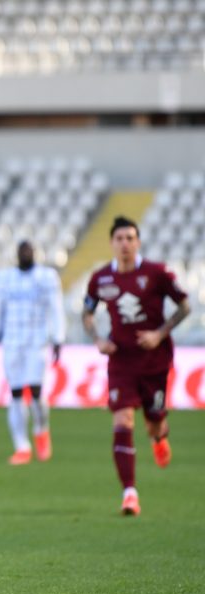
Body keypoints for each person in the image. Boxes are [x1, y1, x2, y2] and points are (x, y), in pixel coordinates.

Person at [82, 216, 190, 516]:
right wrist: (97, 339)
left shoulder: (157, 273)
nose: (125, 244)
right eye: (120, 239)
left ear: (138, 242)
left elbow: (184, 306)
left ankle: (158, 436)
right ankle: (129, 493)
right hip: (121, 361)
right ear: (111, 243)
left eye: (130, 238)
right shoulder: (101, 278)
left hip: (154, 361)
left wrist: (160, 333)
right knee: (123, 420)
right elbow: (87, 313)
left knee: (154, 422)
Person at [0, 240, 65, 465]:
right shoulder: (4, 278)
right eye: (22, 251)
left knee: (37, 391)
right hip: (12, 342)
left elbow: (56, 309)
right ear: (17, 254)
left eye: (29, 250)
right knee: (16, 393)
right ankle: (22, 446)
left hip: (37, 342)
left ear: (34, 253)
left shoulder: (46, 277)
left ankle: (41, 429)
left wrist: (58, 338)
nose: (25, 254)